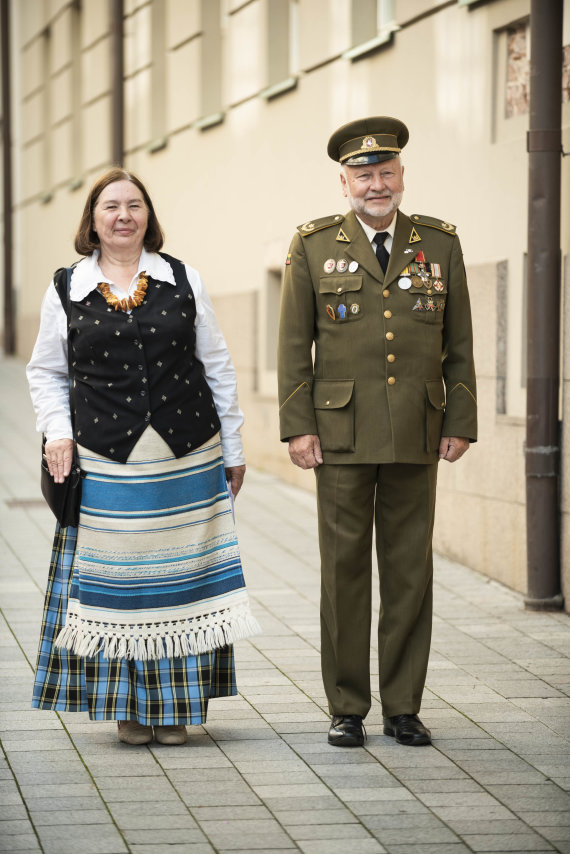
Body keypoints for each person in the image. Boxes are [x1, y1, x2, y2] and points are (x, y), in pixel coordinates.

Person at [27, 167, 260, 746]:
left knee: (183, 583)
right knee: (119, 587)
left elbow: (218, 367)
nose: (124, 215)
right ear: (93, 220)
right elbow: (47, 373)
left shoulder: (182, 278)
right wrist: (57, 433)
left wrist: (233, 448)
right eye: (111, 206)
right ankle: (127, 708)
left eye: (134, 205)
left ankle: (176, 709)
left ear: (149, 216)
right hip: (106, 457)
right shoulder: (66, 288)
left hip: (187, 454)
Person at [278, 117, 477, 748]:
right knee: (343, 571)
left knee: (408, 571)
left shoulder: (439, 244)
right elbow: (292, 346)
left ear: (400, 177)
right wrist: (298, 426)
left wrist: (460, 420)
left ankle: (403, 707)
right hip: (339, 435)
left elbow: (460, 345)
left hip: (417, 431)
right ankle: (346, 706)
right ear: (344, 182)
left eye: (385, 172)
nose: (375, 184)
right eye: (363, 175)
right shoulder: (313, 246)